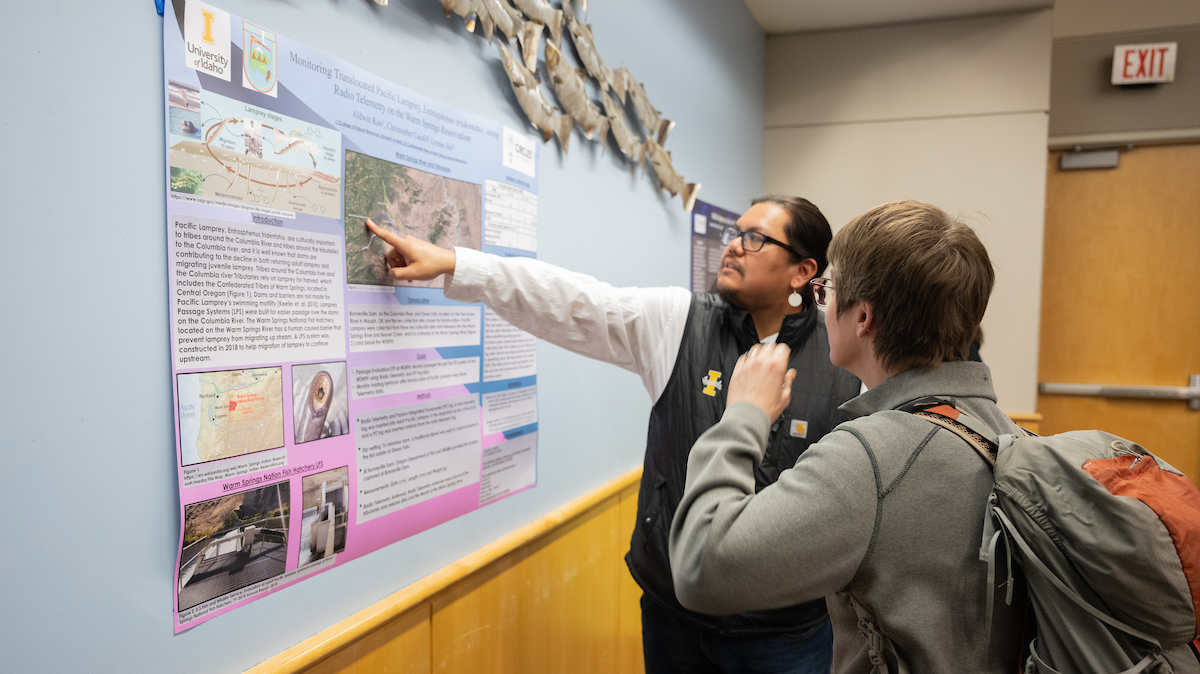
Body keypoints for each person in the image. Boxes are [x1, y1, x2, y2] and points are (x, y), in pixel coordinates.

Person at [366, 196, 861, 674]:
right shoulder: (680, 321)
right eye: (735, 233)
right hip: (675, 616)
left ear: (803, 271)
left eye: (755, 239)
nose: (732, 245)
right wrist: (456, 265)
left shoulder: (843, 362)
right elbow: (569, 300)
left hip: (787, 634)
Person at [669, 200, 1025, 673]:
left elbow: (700, 567)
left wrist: (744, 414)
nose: (823, 303)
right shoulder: (1008, 436)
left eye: (828, 289)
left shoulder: (869, 462)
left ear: (863, 319)